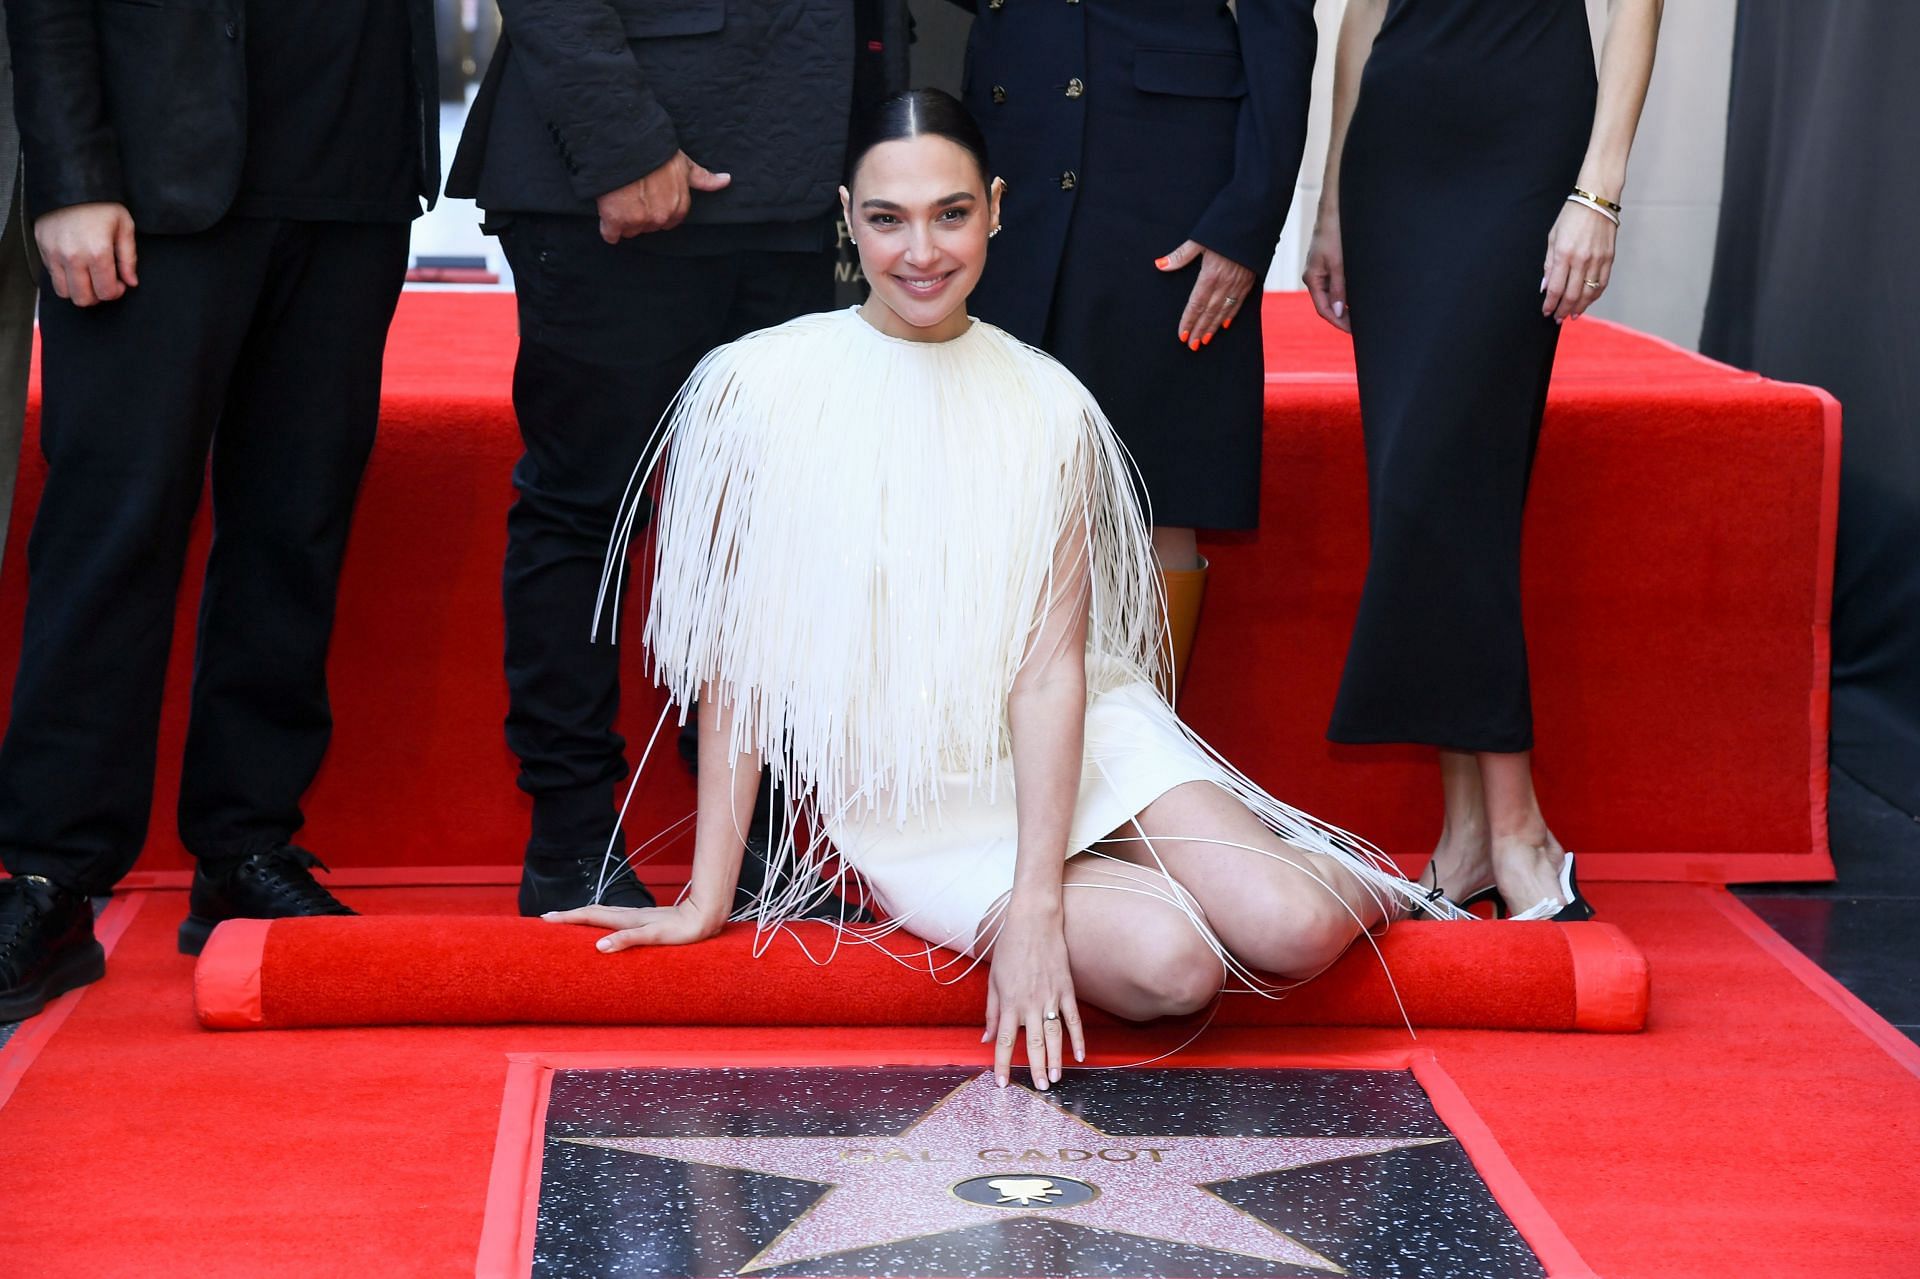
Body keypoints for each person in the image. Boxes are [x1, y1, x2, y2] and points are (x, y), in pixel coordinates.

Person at [547, 90, 1454, 1090]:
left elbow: (1050, 679)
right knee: (1173, 969)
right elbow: (739, 675)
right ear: (848, 214)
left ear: (996, 208)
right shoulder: (754, 388)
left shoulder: (1049, 404)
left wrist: (1037, 909)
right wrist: (708, 896)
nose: (920, 251)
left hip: (1080, 740)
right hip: (918, 805)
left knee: (1288, 925)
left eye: (951, 213)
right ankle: (1156, 881)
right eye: (887, 218)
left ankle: (1355, 871)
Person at [0, 1, 441, 1019]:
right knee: (111, 529)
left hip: (353, 175)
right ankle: (50, 872)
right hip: (150, 183)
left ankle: (246, 844)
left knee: (297, 527)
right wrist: (72, 174)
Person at [447, 0, 909, 917]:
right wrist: (621, 141)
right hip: (629, 170)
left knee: (764, 530)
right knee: (590, 510)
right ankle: (572, 836)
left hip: (796, 169)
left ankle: (754, 841)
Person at [1303, 0, 1664, 919]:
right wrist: (1334, 196)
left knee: (1452, 477)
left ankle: (1521, 829)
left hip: (1526, 133)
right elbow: (1364, 14)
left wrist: (1599, 189)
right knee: (1419, 483)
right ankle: (1470, 838)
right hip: (1396, 144)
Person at [947, 0, 1319, 694]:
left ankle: (1141, 764)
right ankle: (1013, 761)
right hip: (1012, 139)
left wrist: (1249, 214)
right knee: (1007, 473)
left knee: (1159, 481)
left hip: (1163, 163)